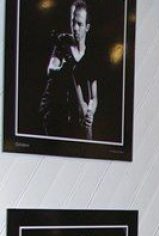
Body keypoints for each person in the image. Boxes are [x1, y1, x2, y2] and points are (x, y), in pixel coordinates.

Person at [39, 0, 98, 139]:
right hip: (54, 110)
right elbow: (50, 69)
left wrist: (90, 113)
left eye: (79, 24)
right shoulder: (63, 42)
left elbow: (94, 97)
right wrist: (64, 67)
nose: (75, 28)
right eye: (73, 22)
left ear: (87, 27)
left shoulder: (90, 56)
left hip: (73, 115)